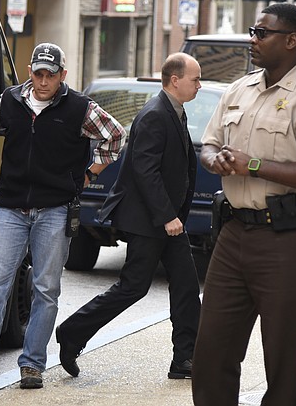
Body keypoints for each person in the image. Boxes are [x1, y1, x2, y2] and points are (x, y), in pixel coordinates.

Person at [0, 42, 126, 392]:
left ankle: (33, 364)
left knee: (46, 289)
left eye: (51, 75)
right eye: (38, 73)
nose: (43, 80)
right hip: (12, 210)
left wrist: (90, 173)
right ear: (31, 72)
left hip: (55, 211)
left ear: (62, 76)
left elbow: (115, 136)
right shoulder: (12, 101)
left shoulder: (80, 108)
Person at [191, 3, 296, 406]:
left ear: (291, 40)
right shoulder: (238, 88)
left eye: (262, 33)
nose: (252, 39)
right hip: (232, 232)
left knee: (282, 352)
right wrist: (217, 160)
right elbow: (209, 145)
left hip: (286, 239)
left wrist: (256, 165)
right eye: (253, 31)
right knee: (211, 348)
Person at [55, 52, 203, 379]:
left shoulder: (174, 111)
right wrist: (167, 215)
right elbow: (144, 170)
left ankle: (185, 360)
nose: (199, 85)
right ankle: (72, 332)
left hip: (166, 221)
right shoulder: (155, 114)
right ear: (175, 80)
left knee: (186, 288)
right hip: (150, 221)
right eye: (195, 79)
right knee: (133, 287)